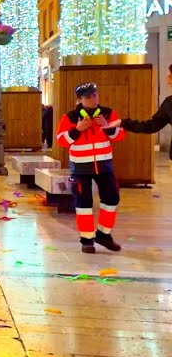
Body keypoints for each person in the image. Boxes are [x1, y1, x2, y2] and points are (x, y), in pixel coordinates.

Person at [56, 82, 125, 254]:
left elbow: (120, 135)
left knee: (112, 199)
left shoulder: (108, 113)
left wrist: (107, 127)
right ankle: (87, 239)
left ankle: (104, 234)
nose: (93, 99)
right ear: (79, 99)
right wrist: (77, 130)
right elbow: (61, 140)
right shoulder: (70, 117)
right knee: (83, 203)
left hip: (104, 165)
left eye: (95, 95)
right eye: (88, 96)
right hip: (80, 168)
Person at [121, 63, 172, 159]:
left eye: (170, 77)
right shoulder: (169, 103)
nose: (168, 82)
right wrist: (123, 122)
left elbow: (151, 127)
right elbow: (151, 126)